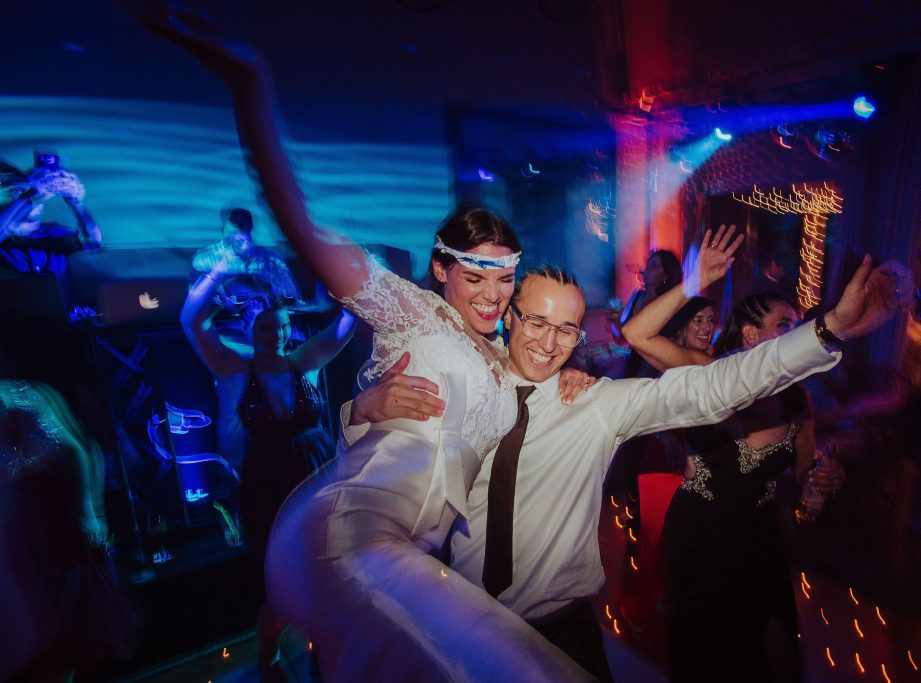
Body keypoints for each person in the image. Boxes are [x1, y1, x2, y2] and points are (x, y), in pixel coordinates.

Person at [146, 10, 599, 681]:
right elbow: (299, 220)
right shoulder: (408, 309)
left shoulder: (504, 357)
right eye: (475, 276)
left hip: (414, 555)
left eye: (504, 279)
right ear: (440, 269)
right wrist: (252, 80)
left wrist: (570, 377)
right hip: (350, 535)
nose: (492, 295)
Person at [342, 226, 910, 678]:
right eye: (536, 321)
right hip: (462, 622)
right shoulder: (467, 387)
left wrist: (827, 330)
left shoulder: (596, 404)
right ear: (509, 317)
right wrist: (361, 410)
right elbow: (388, 466)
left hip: (562, 628)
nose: (549, 342)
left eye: (567, 329)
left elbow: (715, 386)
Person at [647, 289, 845, 682]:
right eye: (784, 325)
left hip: (759, 535)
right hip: (700, 534)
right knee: (704, 648)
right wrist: (693, 281)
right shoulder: (713, 377)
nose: (795, 334)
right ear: (752, 335)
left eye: (797, 326)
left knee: (766, 643)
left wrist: (826, 477)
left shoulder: (798, 398)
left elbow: (804, 472)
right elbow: (645, 343)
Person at [180, 257, 354, 679]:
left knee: (326, 573)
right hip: (269, 488)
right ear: (249, 329)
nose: (276, 335)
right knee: (280, 582)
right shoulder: (236, 370)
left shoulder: (303, 361)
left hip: (316, 479)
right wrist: (221, 269)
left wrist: (345, 275)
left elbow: (347, 323)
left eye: (281, 327)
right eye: (265, 328)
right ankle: (270, 659)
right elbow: (192, 322)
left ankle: (323, 655)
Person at [0, 379, 137, 681]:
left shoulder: (21, 395)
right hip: (16, 514)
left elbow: (79, 449)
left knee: (63, 613)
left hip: (44, 515)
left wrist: (90, 511)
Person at [0, 151, 102, 275]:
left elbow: (93, 243)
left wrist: (75, 202)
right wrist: (30, 196)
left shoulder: (55, 233)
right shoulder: (4, 240)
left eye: (24, 189)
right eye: (15, 191)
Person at [191, 207, 303, 318]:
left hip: (266, 316)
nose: (236, 237)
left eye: (242, 228)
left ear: (250, 228)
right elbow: (199, 265)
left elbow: (291, 295)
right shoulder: (206, 257)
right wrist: (242, 268)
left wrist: (268, 288)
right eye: (232, 231)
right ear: (222, 228)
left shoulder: (270, 258)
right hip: (223, 318)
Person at [607, 249, 683, 378]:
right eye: (648, 264)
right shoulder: (637, 295)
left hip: (657, 365)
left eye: (654, 266)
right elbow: (621, 336)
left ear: (665, 276)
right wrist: (616, 319)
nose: (647, 269)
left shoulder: (668, 303)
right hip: (635, 360)